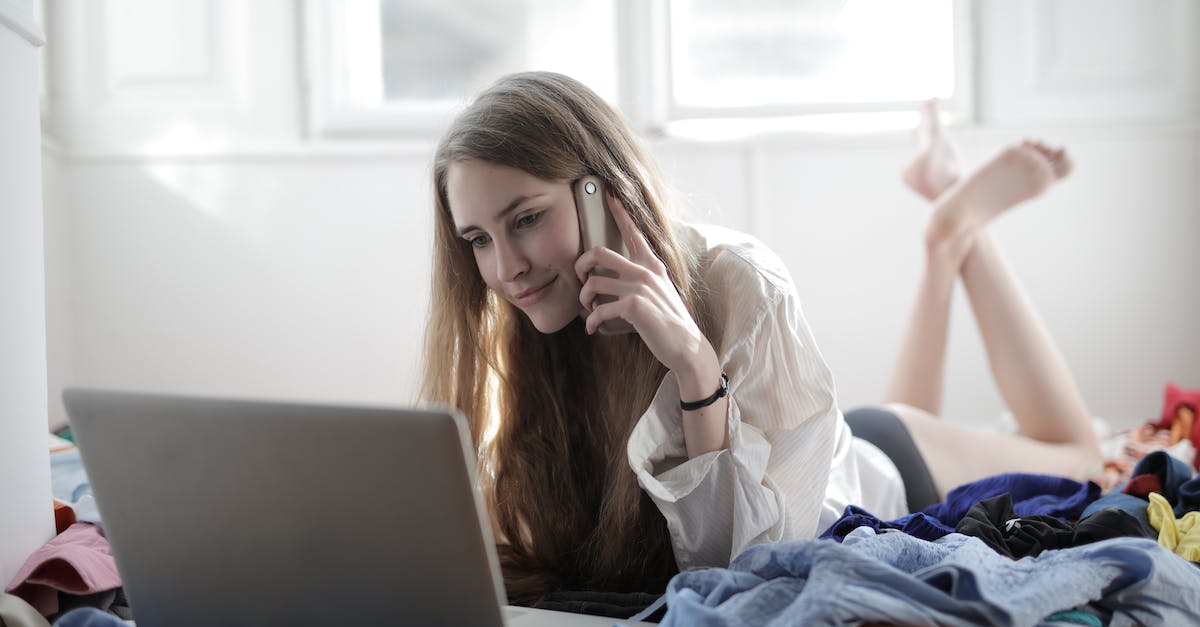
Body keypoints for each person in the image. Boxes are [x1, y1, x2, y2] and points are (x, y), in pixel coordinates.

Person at [419, 72, 1102, 604]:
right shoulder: (535, 327)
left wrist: (691, 363)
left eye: (526, 219)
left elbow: (754, 567)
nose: (506, 269)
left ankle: (952, 232)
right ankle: (943, 231)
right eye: (478, 239)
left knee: (1081, 452)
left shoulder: (742, 281)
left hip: (879, 474)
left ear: (602, 193)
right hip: (822, 448)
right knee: (899, 408)